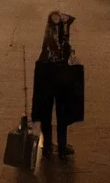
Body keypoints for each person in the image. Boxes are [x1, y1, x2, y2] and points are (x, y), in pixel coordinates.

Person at [31, 11, 83, 161]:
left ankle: (51, 146)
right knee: (59, 112)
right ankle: (58, 146)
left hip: (49, 74)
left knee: (50, 112)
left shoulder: (54, 33)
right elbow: (60, 48)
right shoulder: (55, 35)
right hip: (56, 74)